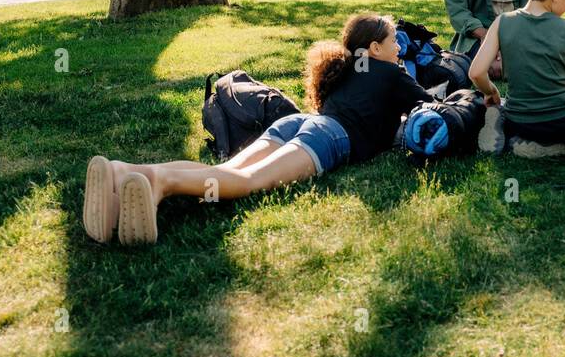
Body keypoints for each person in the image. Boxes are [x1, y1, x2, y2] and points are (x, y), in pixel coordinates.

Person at [83, 13, 432, 245]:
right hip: (330, 136)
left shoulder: (346, 68)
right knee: (247, 183)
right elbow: (430, 108)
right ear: (374, 48)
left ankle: (124, 172)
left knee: (223, 171)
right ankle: (163, 183)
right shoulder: (392, 73)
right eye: (393, 42)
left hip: (299, 123)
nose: (399, 48)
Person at [470, 0, 565, 159]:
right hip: (563, 123)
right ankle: (554, 147)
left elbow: (476, 72)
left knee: (505, 106)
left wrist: (491, 92)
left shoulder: (502, 22)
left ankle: (503, 128)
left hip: (520, 122)